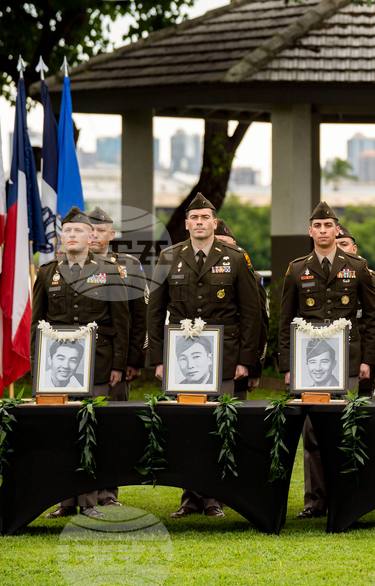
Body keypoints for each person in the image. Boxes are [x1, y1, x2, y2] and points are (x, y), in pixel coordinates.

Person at [148, 192, 261, 519]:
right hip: (181, 359)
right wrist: (158, 359)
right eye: (194, 218)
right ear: (186, 224)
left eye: (205, 218)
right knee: (187, 429)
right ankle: (189, 497)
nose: (199, 222)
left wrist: (246, 360)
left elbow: (251, 312)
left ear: (214, 222)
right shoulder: (169, 257)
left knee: (218, 426)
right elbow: (154, 311)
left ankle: (214, 498)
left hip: (224, 356)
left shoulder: (235, 258)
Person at [278, 201, 375, 519]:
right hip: (310, 365)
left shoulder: (358, 267)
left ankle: (348, 499)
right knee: (312, 433)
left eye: (328, 226)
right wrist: (288, 366)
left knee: (348, 428)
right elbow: (285, 319)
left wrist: (368, 360)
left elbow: (373, 318)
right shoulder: (297, 269)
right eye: (318, 226)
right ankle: (315, 501)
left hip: (348, 360)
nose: (323, 231)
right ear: (310, 231)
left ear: (337, 230)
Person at [33, 207, 130, 520]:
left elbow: (121, 322)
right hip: (57, 370)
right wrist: (38, 367)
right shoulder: (47, 272)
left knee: (92, 432)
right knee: (64, 433)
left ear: (91, 237)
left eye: (78, 230)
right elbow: (37, 323)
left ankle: (88, 502)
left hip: (98, 366)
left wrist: (118, 365)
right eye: (67, 230)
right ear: (61, 236)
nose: (72, 235)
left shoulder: (109, 271)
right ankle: (65, 501)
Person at [87, 206, 147, 404]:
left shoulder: (129, 266)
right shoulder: (69, 267)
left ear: (111, 234)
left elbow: (140, 316)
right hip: (77, 355)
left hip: (116, 357)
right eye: (90, 230)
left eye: (101, 230)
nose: (94, 235)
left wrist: (134, 360)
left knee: (113, 413)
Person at [335, 225, 375, 395]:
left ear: (354, 249)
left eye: (344, 244)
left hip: (362, 362)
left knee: (360, 408)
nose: (339, 249)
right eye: (335, 245)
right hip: (326, 360)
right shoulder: (320, 280)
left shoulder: (372, 280)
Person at [214, 219, 265, 399]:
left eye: (224, 242)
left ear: (234, 245)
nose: (220, 247)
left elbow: (260, 325)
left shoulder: (251, 278)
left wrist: (254, 368)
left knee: (233, 407)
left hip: (236, 359)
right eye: (215, 242)